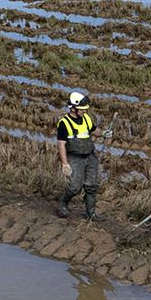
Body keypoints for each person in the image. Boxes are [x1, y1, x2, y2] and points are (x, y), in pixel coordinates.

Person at [55, 91, 102, 220]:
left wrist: (104, 133)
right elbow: (61, 145)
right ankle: (63, 203)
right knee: (75, 187)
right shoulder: (64, 124)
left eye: (86, 109)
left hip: (90, 156)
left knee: (91, 186)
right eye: (82, 109)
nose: (85, 111)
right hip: (75, 158)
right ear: (73, 108)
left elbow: (94, 131)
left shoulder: (86, 118)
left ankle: (90, 213)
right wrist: (65, 164)